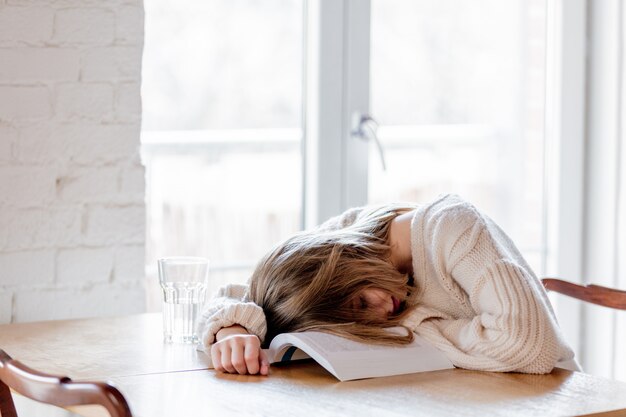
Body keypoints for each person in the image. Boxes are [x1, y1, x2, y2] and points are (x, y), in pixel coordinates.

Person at [198, 194, 579, 376]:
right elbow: (243, 293)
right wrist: (233, 329)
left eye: (361, 301)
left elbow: (530, 347)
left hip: (557, 402)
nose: (382, 310)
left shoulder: (451, 228)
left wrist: (410, 327)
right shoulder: (341, 244)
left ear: (343, 263)